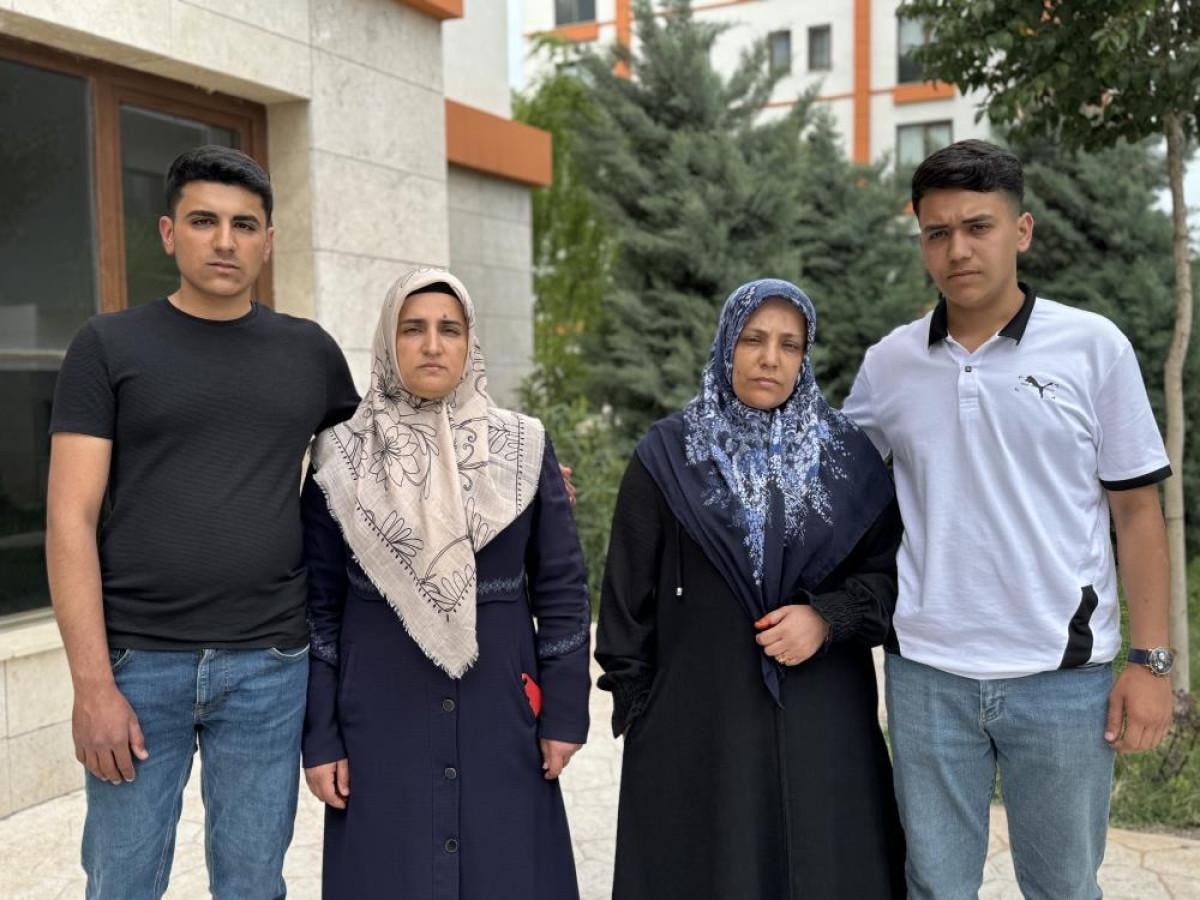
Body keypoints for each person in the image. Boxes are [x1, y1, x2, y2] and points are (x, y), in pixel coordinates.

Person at [843, 139, 1175, 899]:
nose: (957, 249)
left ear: (1021, 230)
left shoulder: (1093, 347)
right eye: (937, 232)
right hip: (928, 673)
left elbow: (1137, 513)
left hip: (1060, 679)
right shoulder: (890, 363)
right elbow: (824, 478)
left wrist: (1150, 664)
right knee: (934, 888)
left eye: (978, 227)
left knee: (1063, 888)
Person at [45, 146, 360, 898]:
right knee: (122, 882)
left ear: (268, 241)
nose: (225, 241)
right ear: (168, 233)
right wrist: (92, 687)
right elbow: (68, 519)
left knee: (253, 884)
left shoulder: (309, 352)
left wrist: (512, 473)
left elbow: (384, 465)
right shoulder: (108, 345)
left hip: (269, 665)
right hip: (137, 664)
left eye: (244, 225)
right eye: (203, 221)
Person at [596, 278, 906, 899]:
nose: (770, 358)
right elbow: (626, 596)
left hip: (824, 716)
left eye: (789, 345)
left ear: (804, 357)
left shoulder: (847, 460)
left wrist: (827, 618)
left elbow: (889, 578)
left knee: (823, 870)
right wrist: (643, 712)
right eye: (753, 339)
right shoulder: (669, 455)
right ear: (726, 346)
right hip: (699, 721)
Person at [300, 268, 592, 899]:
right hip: (380, 720)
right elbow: (319, 607)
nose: (432, 345)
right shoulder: (340, 456)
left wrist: (565, 713)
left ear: (469, 343)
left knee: (507, 871)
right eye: (413, 329)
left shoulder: (522, 447)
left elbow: (563, 587)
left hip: (501, 713)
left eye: (449, 329)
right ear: (388, 340)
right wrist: (321, 736)